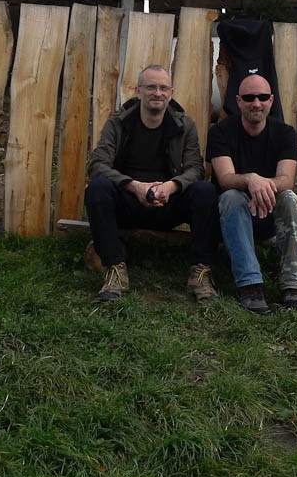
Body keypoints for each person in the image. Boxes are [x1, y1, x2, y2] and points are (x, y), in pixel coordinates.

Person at [85, 65, 219, 303]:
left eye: (163, 88)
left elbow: (196, 169)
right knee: (97, 188)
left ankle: (200, 272)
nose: (158, 93)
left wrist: (171, 187)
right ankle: (115, 269)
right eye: (151, 87)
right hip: (128, 202)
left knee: (205, 191)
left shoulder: (184, 126)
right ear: (138, 91)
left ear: (171, 92)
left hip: (168, 204)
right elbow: (97, 164)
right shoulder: (118, 123)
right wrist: (134, 186)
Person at [207, 72, 297, 313]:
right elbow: (225, 179)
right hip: (234, 216)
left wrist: (261, 186)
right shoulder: (220, 132)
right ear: (238, 101)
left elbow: (286, 180)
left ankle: (293, 286)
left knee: (289, 198)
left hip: (270, 212)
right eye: (249, 98)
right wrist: (251, 179)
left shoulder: (285, 133)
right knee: (231, 197)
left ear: (271, 100)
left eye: (262, 97)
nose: (256, 103)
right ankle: (250, 286)